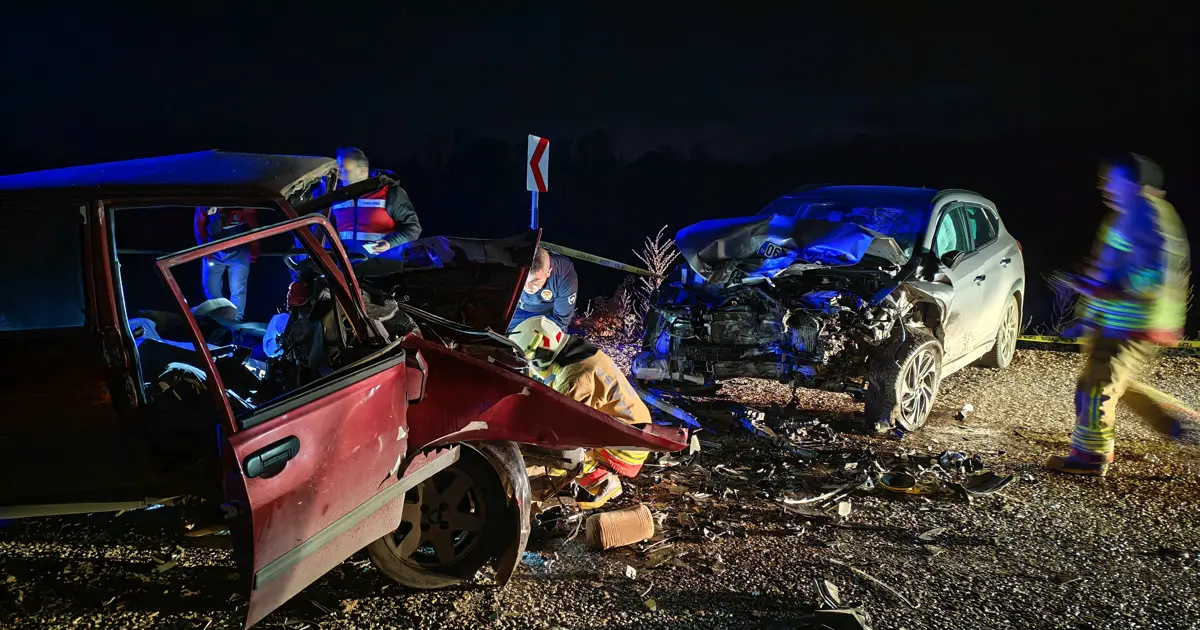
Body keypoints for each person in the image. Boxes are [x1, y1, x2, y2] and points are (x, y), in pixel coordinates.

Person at [1047, 154, 1196, 476]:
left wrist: (1109, 289)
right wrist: (1093, 292)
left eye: (1111, 179)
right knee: (1115, 383)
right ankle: (1177, 423)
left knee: (1096, 388)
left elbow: (1153, 272)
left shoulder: (1144, 214)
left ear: (1131, 181)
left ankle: (1090, 456)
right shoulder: (1131, 214)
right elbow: (1119, 265)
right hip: (1116, 319)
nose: (1105, 186)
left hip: (1127, 321)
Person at [510, 315, 651, 508]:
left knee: (558, 454)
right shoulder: (582, 352)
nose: (532, 368)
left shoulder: (574, 378)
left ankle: (602, 483)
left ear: (542, 350)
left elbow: (560, 431)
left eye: (531, 360)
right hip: (634, 429)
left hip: (623, 448)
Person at [328, 147, 421, 258]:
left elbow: (413, 228)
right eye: (338, 170)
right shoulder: (336, 196)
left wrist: (390, 243)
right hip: (348, 268)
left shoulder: (389, 192)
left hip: (385, 267)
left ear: (362, 171)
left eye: (344, 170)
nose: (339, 175)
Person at [194, 206, 259, 320]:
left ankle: (236, 322)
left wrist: (254, 248)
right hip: (213, 250)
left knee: (238, 289)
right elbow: (199, 223)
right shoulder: (206, 202)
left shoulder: (243, 201)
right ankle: (217, 319)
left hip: (239, 250)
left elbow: (253, 224)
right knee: (211, 288)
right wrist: (203, 249)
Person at [509, 247, 578, 332]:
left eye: (535, 281)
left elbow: (560, 321)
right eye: (523, 279)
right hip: (516, 312)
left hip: (546, 318)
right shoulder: (509, 266)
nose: (528, 287)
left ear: (548, 272)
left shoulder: (564, 277)